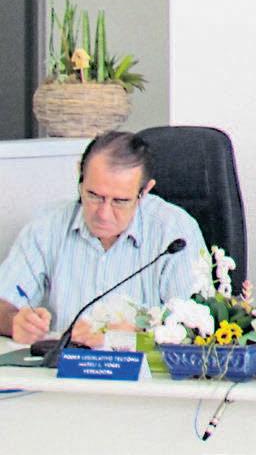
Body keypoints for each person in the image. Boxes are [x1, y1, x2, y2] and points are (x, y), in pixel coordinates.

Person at [0, 130, 206, 344]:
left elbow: (198, 329)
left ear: (145, 191)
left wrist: (138, 335)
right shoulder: (48, 225)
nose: (104, 214)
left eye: (120, 201)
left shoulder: (174, 232)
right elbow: (3, 302)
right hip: (62, 363)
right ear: (80, 174)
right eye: (94, 196)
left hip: (142, 365)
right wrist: (15, 321)